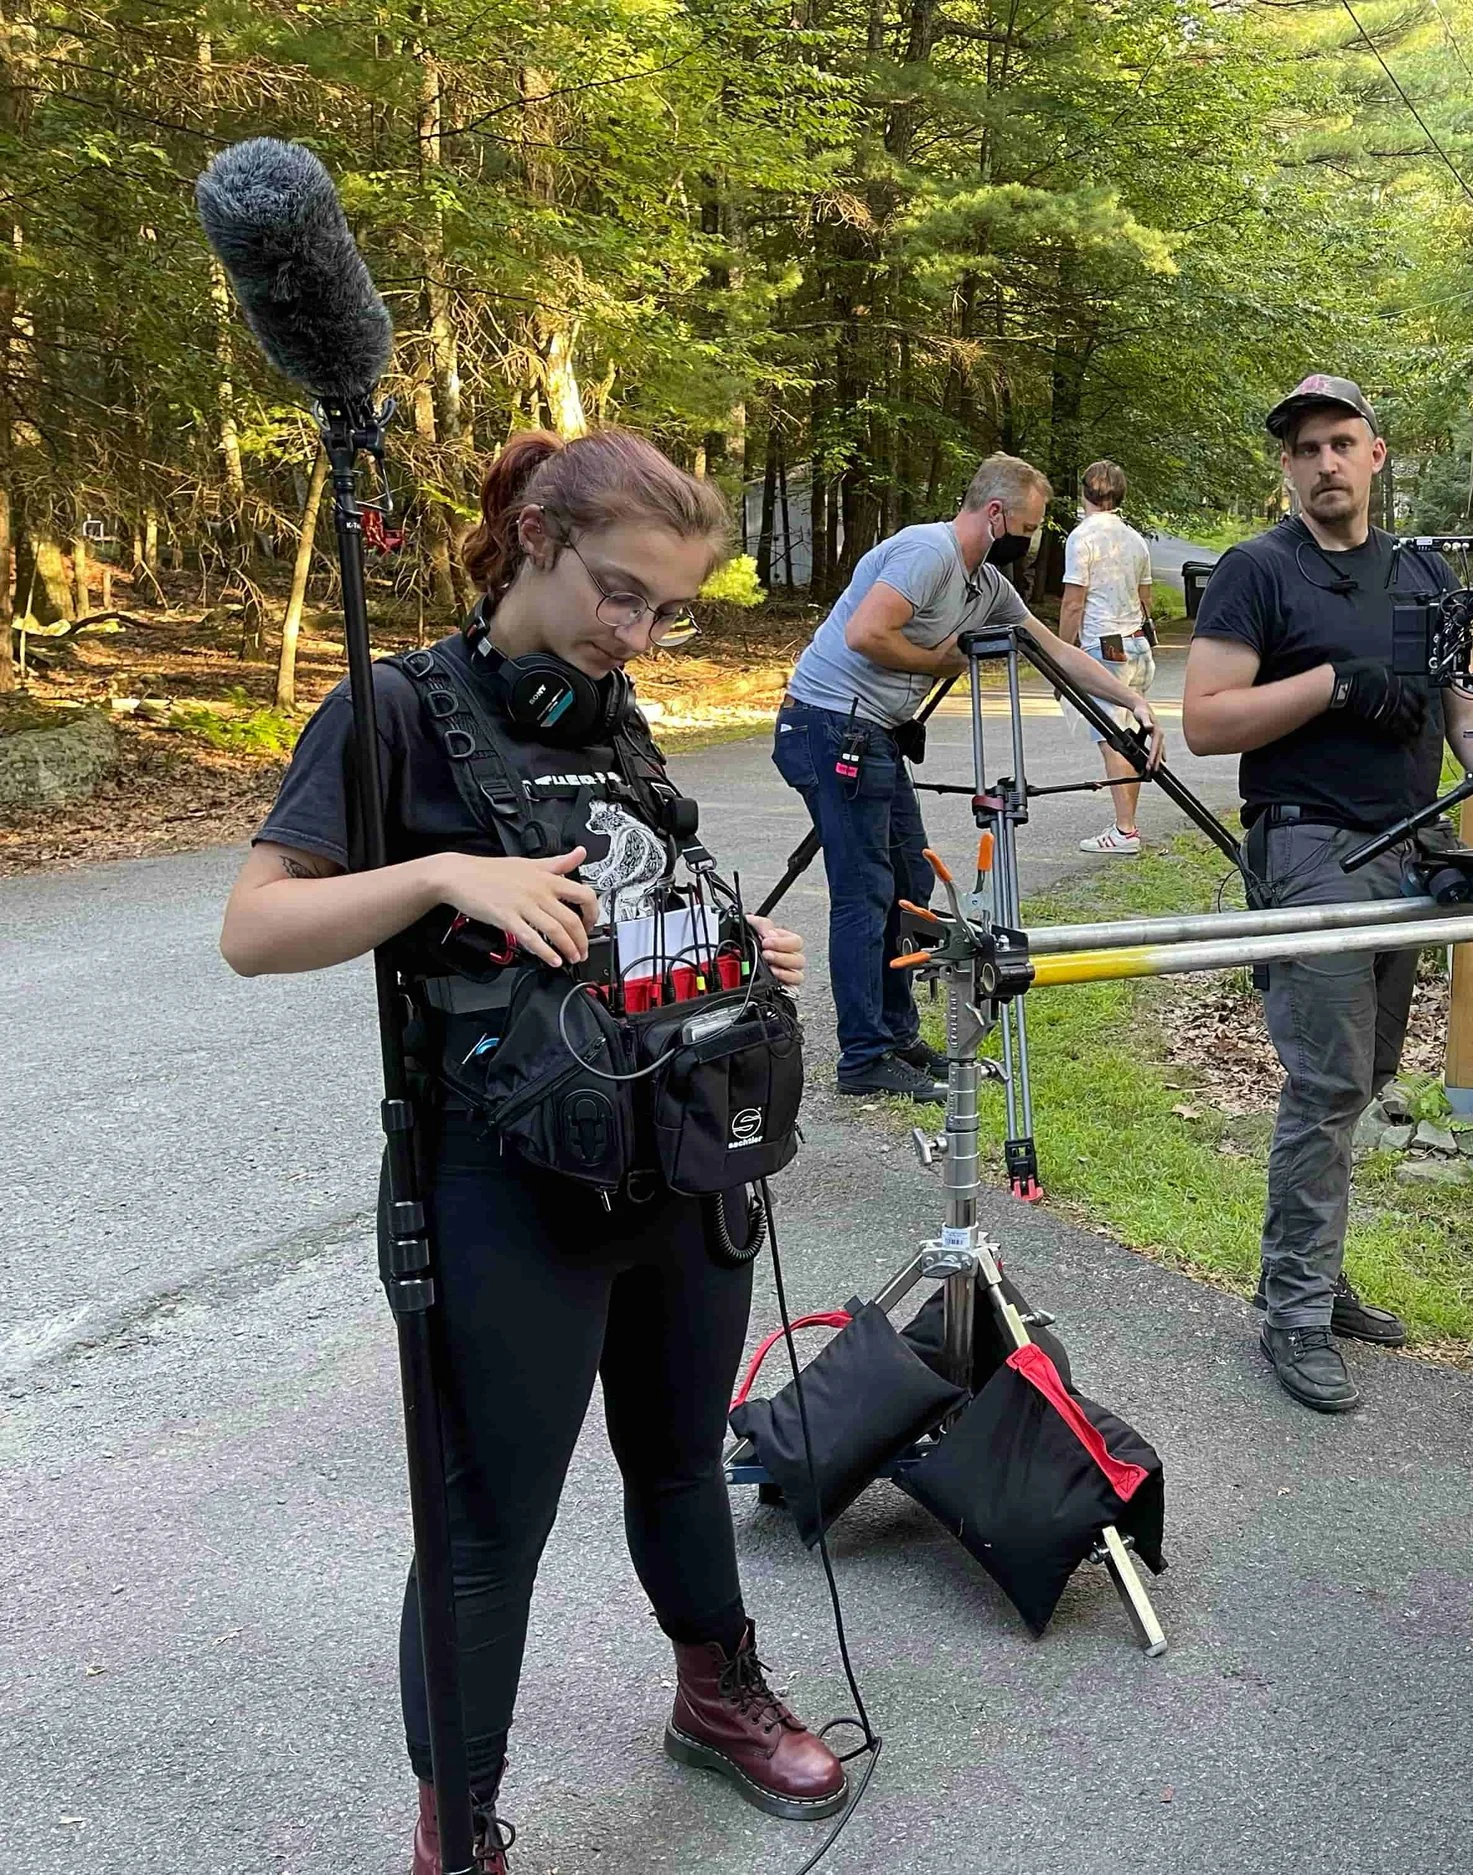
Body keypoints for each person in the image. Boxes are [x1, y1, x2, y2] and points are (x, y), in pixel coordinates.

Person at [220, 429, 844, 1875]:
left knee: (679, 1459)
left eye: (669, 610)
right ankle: (459, 1823)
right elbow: (253, 930)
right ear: (537, 540)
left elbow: (624, 904)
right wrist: (442, 870)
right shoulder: (393, 710)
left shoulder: (616, 712)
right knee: (488, 1519)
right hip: (501, 1185)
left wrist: (727, 947)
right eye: (621, 594)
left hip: (674, 1156)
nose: (640, 635)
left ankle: (716, 1692)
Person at [1182, 375, 1473, 1414]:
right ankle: (1293, 1310)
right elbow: (1205, 721)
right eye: (1305, 449)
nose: (1324, 462)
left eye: (1341, 442)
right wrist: (1329, 684)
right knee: (1327, 1083)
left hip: (1410, 852)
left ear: (1375, 455)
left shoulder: (1424, 574)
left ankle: (1312, 1277)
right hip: (1308, 849)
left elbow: (1470, 719)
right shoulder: (1257, 571)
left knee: (1363, 1076)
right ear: (1287, 468)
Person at [775, 453, 1162, 1102]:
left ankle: (897, 1037)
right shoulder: (928, 553)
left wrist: (1131, 701)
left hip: (874, 733)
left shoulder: (986, 585)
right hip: (827, 725)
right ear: (995, 514)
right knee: (865, 890)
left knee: (909, 881)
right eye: (1028, 528)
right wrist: (944, 661)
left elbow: (1055, 650)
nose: (1030, 541)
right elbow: (868, 632)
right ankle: (864, 1056)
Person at [1056, 458, 1158, 855]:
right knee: (1129, 737)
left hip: (1104, 646)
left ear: (1084, 492)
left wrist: (1061, 655)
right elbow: (1146, 600)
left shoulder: (1081, 538)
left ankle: (1125, 830)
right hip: (1137, 645)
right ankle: (1127, 825)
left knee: (1111, 739)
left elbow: (1073, 604)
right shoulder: (1134, 539)